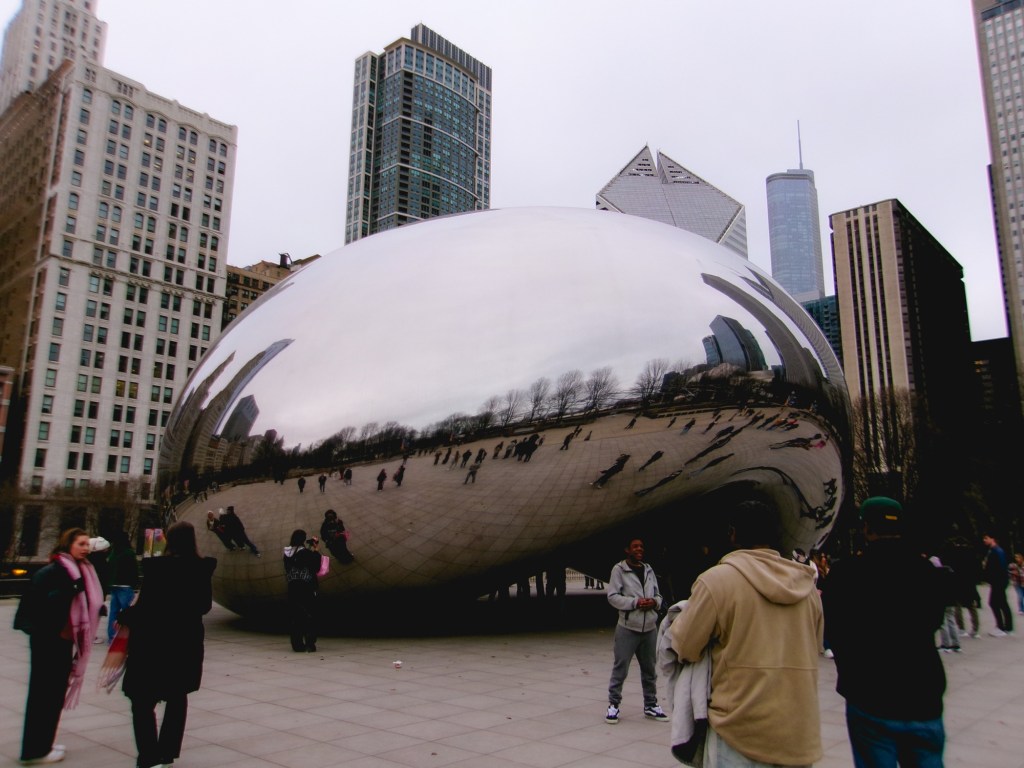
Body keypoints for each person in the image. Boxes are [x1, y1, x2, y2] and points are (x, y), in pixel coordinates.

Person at [669, 500, 823, 766]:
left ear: (732, 533)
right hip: (799, 732)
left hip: (740, 731)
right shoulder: (807, 588)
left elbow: (684, 645)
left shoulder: (717, 581)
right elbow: (816, 645)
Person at [822, 496, 948, 768]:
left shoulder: (847, 572)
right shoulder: (925, 571)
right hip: (923, 696)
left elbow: (833, 628)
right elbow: (934, 620)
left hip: (871, 696)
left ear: (866, 528)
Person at [120, 521, 217, 768]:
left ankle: (148, 755)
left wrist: (124, 616)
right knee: (176, 698)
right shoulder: (201, 569)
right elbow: (204, 606)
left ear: (169, 540)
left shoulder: (158, 569)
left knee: (142, 701)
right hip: (185, 643)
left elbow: (145, 608)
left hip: (153, 644)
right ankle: (167, 754)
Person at [14, 528, 103, 765]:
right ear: (68, 545)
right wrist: (72, 589)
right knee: (44, 695)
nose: (85, 548)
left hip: (60, 641)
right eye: (80, 544)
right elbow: (45, 603)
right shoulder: (58, 572)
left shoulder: (75, 571)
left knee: (53, 695)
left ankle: (44, 744)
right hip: (49, 641)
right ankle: (35, 751)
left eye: (87, 544)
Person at [605, 537, 668, 724]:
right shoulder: (619, 570)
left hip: (649, 628)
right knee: (620, 668)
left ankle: (651, 704)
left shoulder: (648, 569)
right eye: (635, 547)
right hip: (628, 628)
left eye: (641, 546)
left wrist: (654, 602)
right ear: (627, 550)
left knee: (649, 669)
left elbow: (658, 594)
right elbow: (613, 597)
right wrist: (635, 602)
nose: (639, 549)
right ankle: (613, 705)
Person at [283, 530, 321, 652]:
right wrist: (315, 550)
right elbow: (315, 567)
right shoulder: (306, 553)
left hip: (293, 587)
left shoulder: (287, 553)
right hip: (306, 588)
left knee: (296, 617)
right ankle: (310, 642)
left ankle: (297, 644)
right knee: (311, 615)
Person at [106, 530, 139, 643]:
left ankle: (111, 637)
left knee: (113, 612)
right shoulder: (129, 553)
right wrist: (135, 584)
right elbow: (134, 570)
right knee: (128, 612)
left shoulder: (113, 552)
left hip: (114, 584)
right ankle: (126, 638)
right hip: (125, 585)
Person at [982, 532, 1013, 635]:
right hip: (997, 581)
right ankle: (1006, 627)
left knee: (995, 603)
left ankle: (1002, 627)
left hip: (998, 581)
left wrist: (995, 578)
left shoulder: (997, 551)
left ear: (992, 539)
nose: (984, 540)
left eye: (986, 538)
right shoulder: (993, 550)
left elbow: (1001, 566)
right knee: (1001, 603)